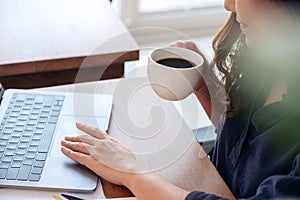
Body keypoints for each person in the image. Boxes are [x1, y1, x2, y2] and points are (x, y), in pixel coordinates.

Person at [61, 0, 300, 199]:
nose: (229, 5)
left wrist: (131, 173)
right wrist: (204, 84)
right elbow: (244, 145)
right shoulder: (270, 57)